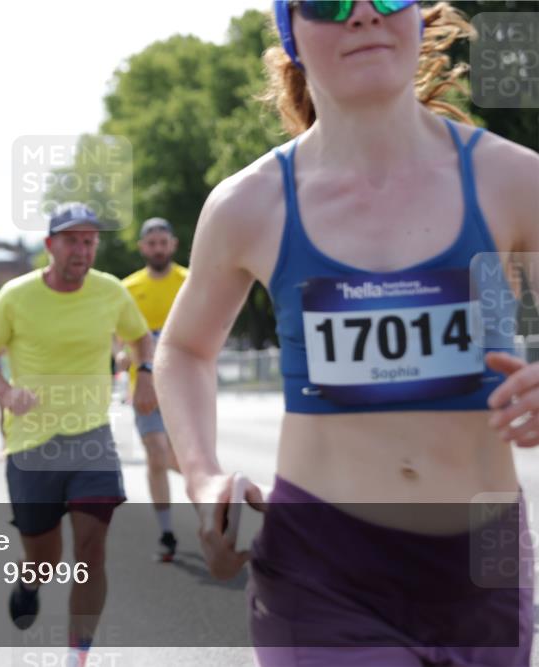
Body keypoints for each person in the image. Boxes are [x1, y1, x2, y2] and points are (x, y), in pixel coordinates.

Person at [155, 2, 538, 665]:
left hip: (484, 570)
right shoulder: (250, 204)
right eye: (327, 2)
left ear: (416, 16)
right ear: (291, 34)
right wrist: (203, 475)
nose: (362, 13)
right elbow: (185, 348)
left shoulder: (515, 180)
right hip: (324, 572)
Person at [0, 202, 157, 667]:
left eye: (90, 240)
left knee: (92, 550)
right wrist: (5, 391)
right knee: (45, 557)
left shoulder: (110, 291)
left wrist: (146, 373)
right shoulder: (16, 295)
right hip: (31, 445)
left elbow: (139, 337)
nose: (82, 249)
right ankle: (30, 581)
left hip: (91, 438)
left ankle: (78, 656)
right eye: (72, 240)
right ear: (50, 245)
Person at [117, 217, 187, 562]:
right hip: (144, 387)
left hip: (187, 387)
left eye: (163, 242)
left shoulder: (190, 281)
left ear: (172, 245)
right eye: (151, 243)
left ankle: (211, 505)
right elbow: (117, 341)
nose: (158, 249)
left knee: (186, 458)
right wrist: (119, 359)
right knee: (157, 454)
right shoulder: (127, 288)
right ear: (142, 247)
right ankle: (167, 531)